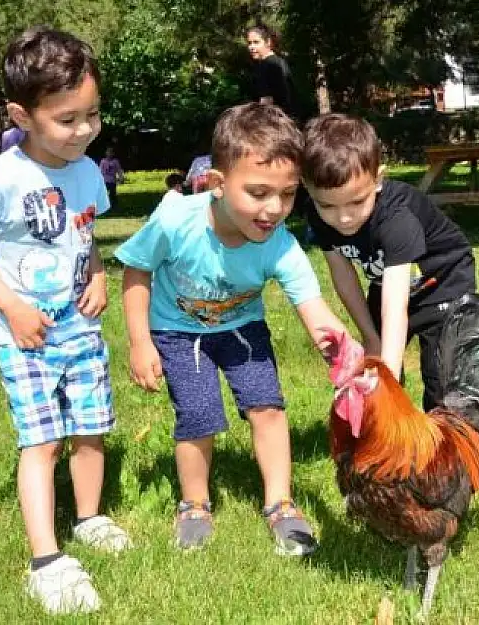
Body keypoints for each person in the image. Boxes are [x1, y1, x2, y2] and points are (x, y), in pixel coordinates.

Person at [116, 103, 347, 555]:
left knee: (268, 409)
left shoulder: (280, 245)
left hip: (242, 330)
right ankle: (194, 505)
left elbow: (314, 308)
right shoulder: (175, 220)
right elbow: (137, 271)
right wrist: (141, 342)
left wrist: (342, 351)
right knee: (199, 415)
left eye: (286, 194)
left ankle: (281, 504)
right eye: (258, 193)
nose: (273, 209)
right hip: (179, 333)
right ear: (218, 185)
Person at [0, 26, 129, 616]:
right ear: (21, 115)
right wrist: (12, 306)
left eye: (92, 116)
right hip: (22, 334)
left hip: (78, 326)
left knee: (91, 426)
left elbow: (87, 235)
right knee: (43, 439)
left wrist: (99, 274)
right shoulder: (0, 179)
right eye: (67, 119)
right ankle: (46, 561)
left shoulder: (84, 169)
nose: (84, 131)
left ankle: (89, 518)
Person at [301, 113, 477, 411]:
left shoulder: (397, 220)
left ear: (378, 179)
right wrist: (370, 337)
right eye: (328, 205)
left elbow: (396, 305)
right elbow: (343, 275)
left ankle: (441, 434)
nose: (343, 218)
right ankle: (389, 431)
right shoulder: (318, 216)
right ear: (307, 187)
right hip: (387, 281)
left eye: (357, 202)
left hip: (443, 283)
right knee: (373, 359)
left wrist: (389, 376)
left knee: (441, 376)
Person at [246, 25, 296, 120]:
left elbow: (266, 103)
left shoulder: (266, 65)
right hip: (288, 122)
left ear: (268, 42)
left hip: (273, 123)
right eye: (249, 43)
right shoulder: (281, 62)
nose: (251, 47)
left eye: (256, 42)